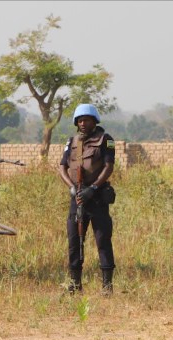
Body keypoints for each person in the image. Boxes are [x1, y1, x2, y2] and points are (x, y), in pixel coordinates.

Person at [59, 103, 117, 294]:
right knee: (74, 240)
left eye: (87, 120)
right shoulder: (72, 141)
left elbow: (109, 166)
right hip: (77, 197)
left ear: (94, 121)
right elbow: (62, 167)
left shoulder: (105, 140)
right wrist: (72, 188)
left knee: (102, 240)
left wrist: (93, 188)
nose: (83, 123)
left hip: (97, 197)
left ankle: (107, 286)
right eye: (80, 120)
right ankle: (75, 284)